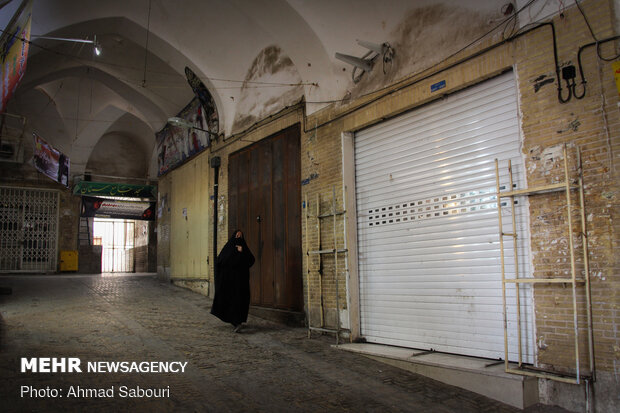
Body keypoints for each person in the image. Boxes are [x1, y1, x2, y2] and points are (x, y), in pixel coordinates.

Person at [210, 229, 255, 332]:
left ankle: (237, 322)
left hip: (241, 283)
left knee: (240, 301)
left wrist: (242, 252)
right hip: (229, 283)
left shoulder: (244, 249)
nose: (238, 238)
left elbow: (251, 260)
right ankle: (234, 321)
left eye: (240, 236)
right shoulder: (228, 249)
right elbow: (221, 261)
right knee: (230, 301)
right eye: (237, 236)